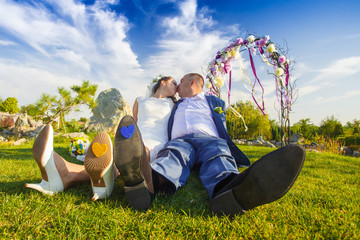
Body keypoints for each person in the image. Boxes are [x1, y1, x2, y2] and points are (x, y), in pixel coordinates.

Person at [114, 73, 306, 216]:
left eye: (180, 82)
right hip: (181, 142)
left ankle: (230, 191)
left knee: (218, 155)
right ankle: (149, 184)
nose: (178, 87)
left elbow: (221, 123)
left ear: (192, 82)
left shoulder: (212, 101)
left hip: (209, 140)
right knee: (173, 155)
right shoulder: (175, 104)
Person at [26, 76, 177, 201]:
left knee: (134, 153)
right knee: (125, 151)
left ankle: (67, 173)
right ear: (163, 82)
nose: (177, 87)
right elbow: (134, 122)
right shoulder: (140, 100)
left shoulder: (173, 103)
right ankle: (73, 176)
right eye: (174, 83)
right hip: (136, 138)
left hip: (156, 142)